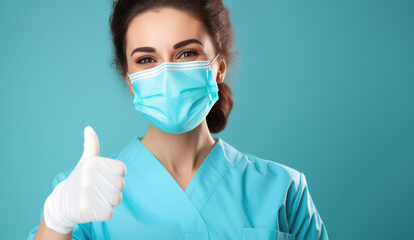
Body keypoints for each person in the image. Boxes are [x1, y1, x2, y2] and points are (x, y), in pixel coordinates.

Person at [26, 0, 329, 239]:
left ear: (219, 68)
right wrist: (57, 220)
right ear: (130, 79)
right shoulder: (85, 191)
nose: (167, 74)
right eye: (147, 59)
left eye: (186, 54)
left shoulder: (283, 189)